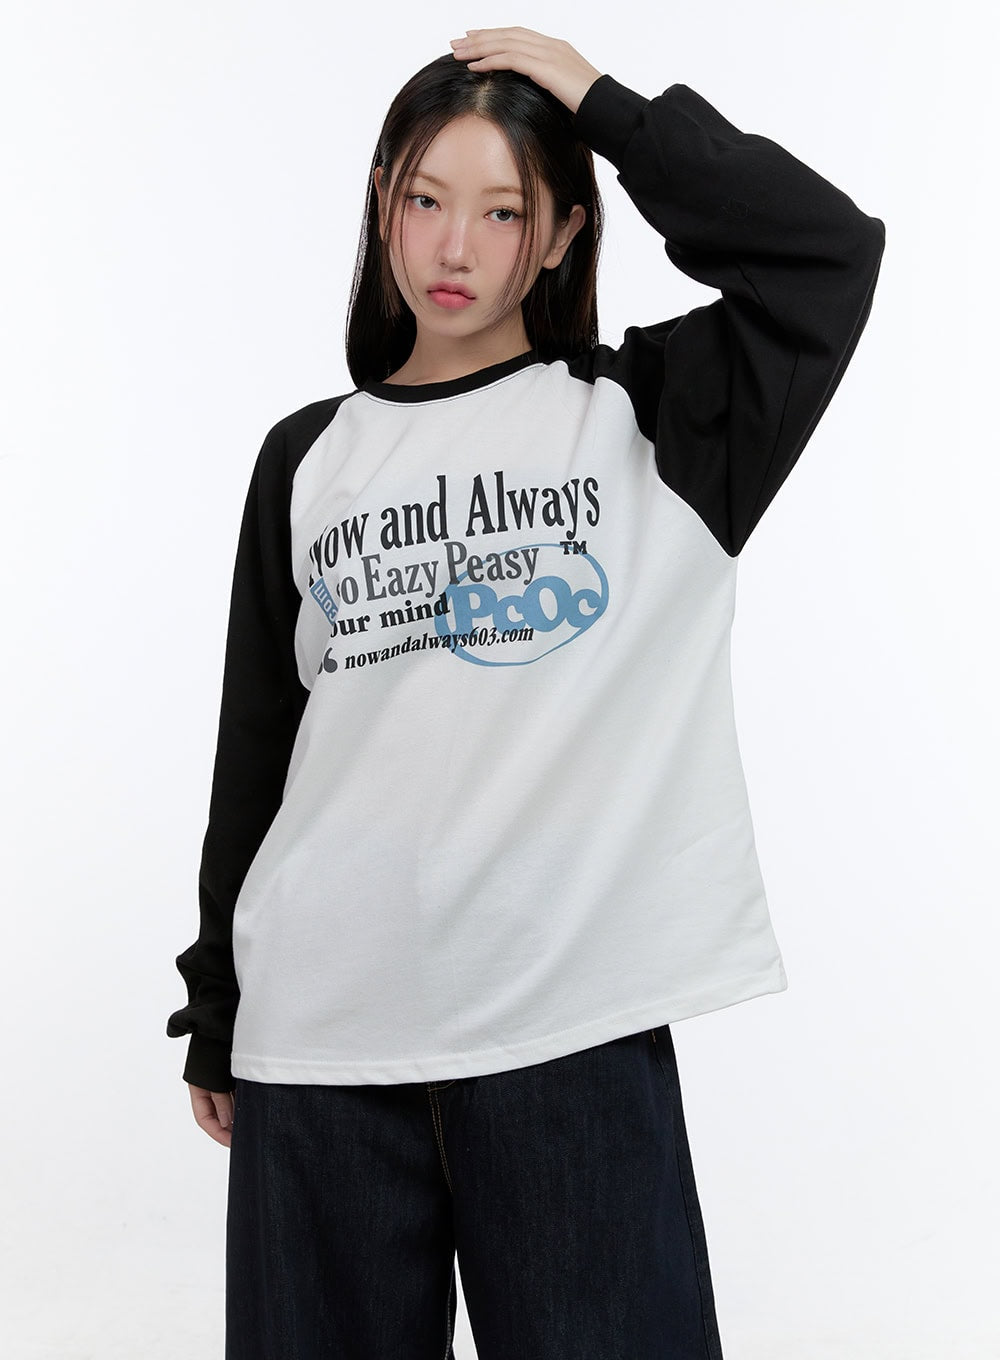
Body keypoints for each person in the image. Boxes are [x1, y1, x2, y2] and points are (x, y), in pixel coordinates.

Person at [166, 26, 885, 1360]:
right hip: (320, 1048)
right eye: (426, 199)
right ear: (382, 201)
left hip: (568, 1041)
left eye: (504, 212)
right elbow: (259, 753)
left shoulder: (656, 420)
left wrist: (606, 107)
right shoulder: (307, 460)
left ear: (560, 236)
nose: (455, 247)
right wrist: (220, 1009)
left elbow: (824, 253)